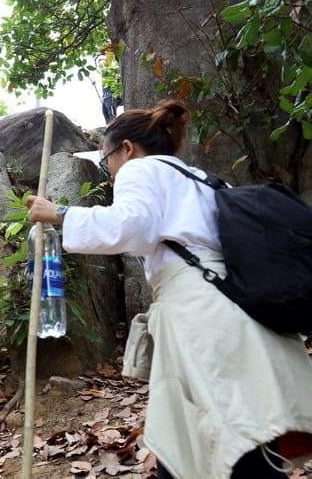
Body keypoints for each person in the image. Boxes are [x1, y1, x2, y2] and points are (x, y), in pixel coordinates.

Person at [25, 99, 312, 479]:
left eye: (105, 160)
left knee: (219, 436)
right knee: (243, 426)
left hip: (201, 309)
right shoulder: (204, 180)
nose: (109, 172)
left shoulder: (140, 170)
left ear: (126, 148)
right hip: (237, 305)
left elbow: (133, 226)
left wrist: (60, 214)